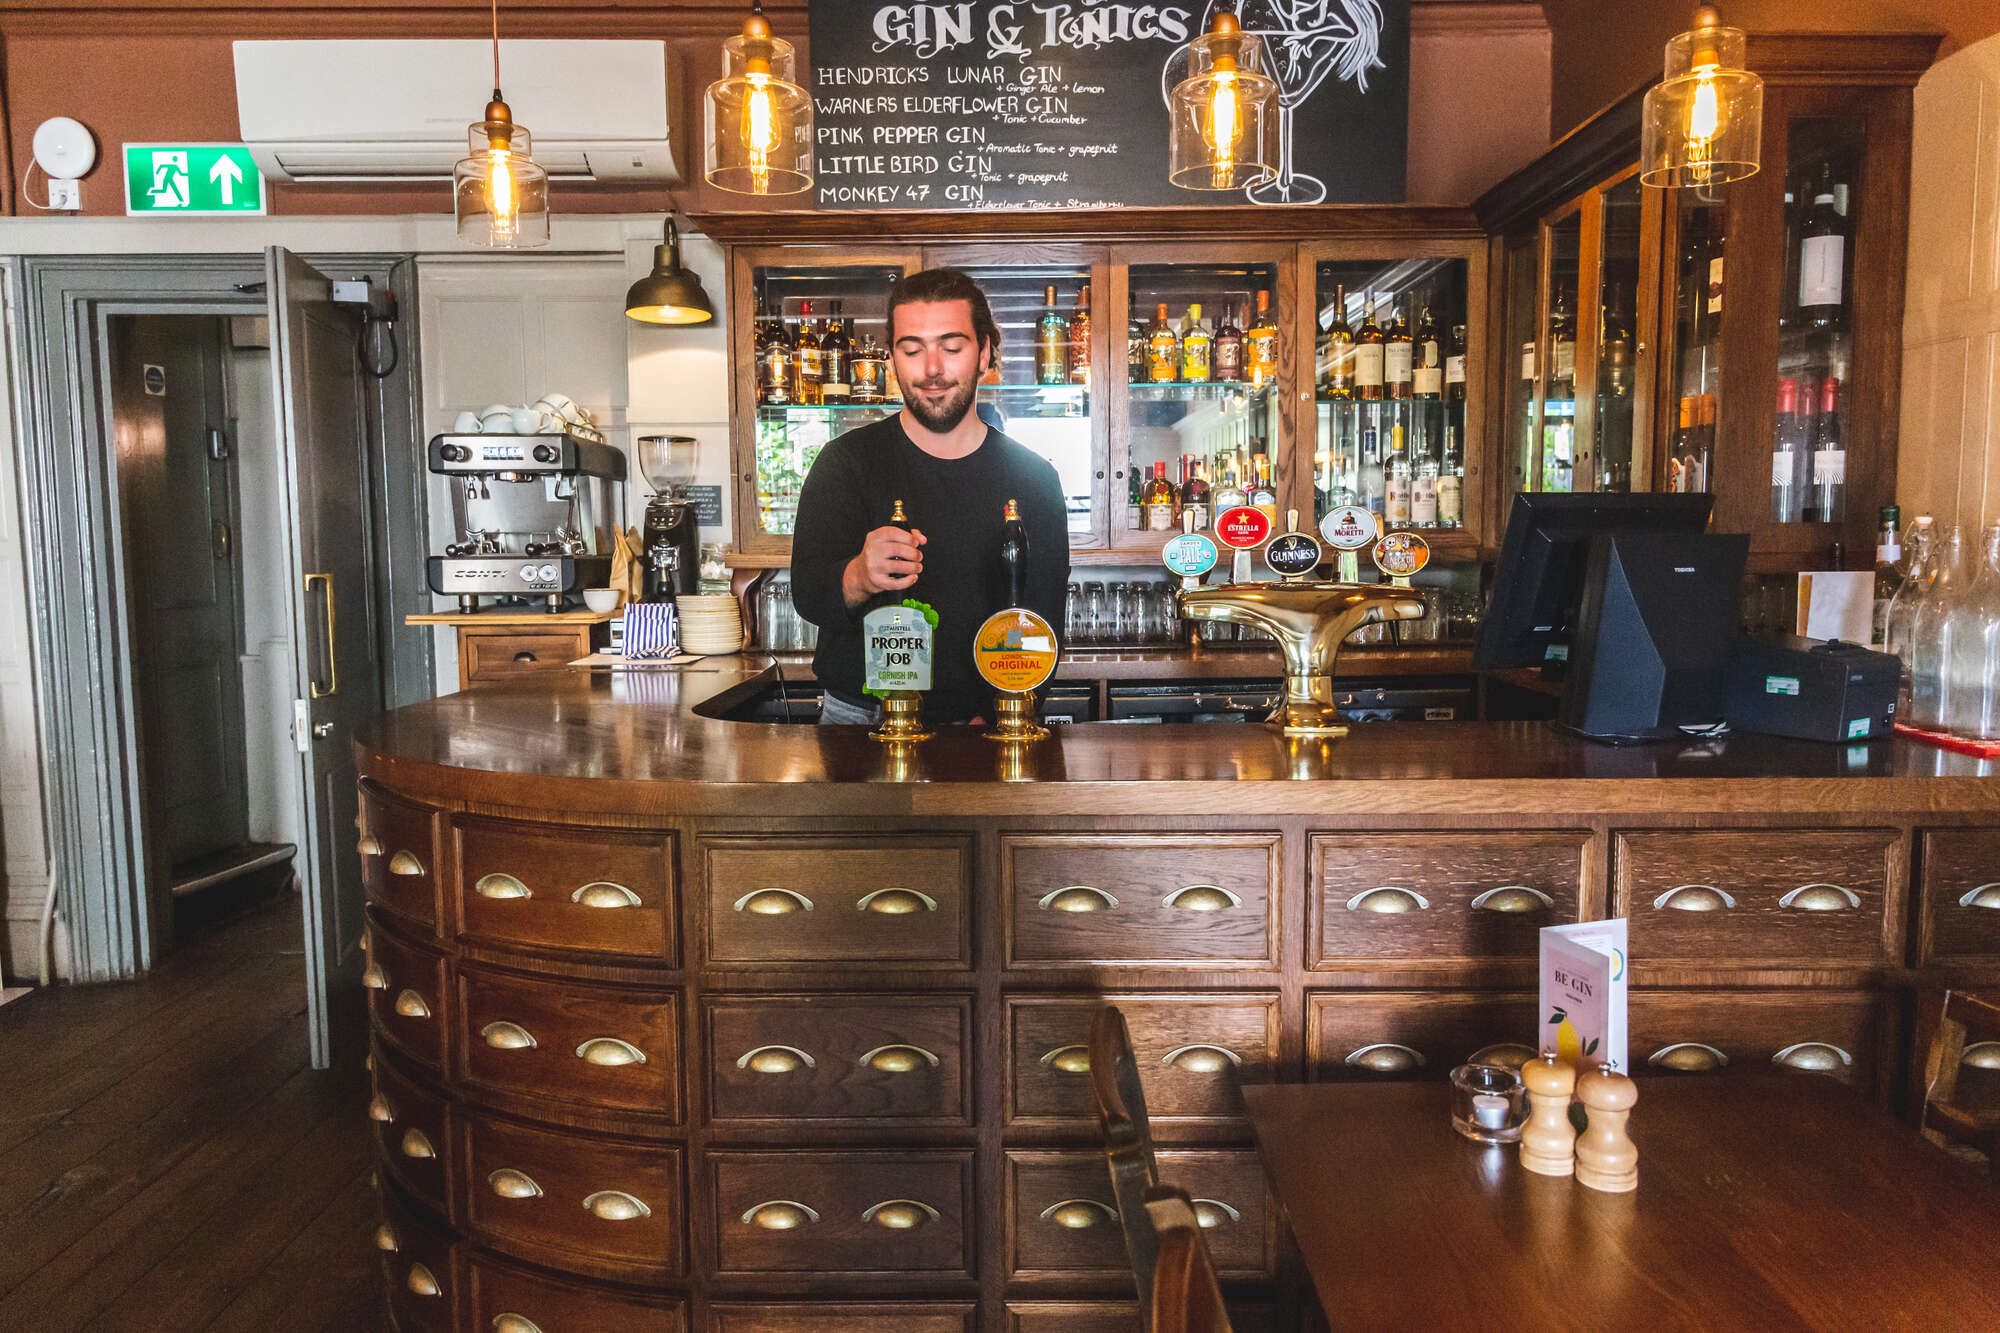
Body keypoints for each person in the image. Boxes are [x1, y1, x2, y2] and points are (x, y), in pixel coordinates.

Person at [791, 268, 1071, 725]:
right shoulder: (844, 462)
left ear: (984, 353)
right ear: (892, 358)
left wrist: (1008, 711)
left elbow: (1043, 617)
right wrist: (859, 574)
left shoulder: (1035, 478)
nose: (933, 368)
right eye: (912, 349)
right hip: (863, 719)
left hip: (990, 720)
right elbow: (808, 595)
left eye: (952, 346)